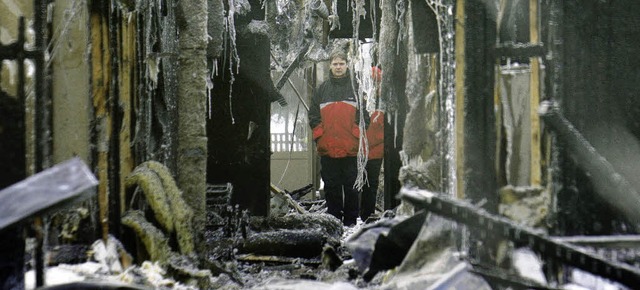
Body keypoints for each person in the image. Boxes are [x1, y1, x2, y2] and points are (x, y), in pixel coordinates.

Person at [309, 50, 368, 226]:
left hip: (350, 147)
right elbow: (313, 116)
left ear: (347, 65)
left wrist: (355, 134)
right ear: (330, 66)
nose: (338, 67)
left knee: (351, 187)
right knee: (331, 186)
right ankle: (333, 221)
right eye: (335, 64)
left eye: (341, 63)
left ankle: (350, 222)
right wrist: (320, 137)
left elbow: (365, 115)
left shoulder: (356, 88)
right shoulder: (321, 89)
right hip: (328, 147)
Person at [360, 66, 384, 222]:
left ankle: (366, 216)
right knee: (356, 185)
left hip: (375, 151)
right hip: (357, 150)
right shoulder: (359, 101)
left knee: (370, 185)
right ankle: (355, 216)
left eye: (376, 82)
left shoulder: (383, 103)